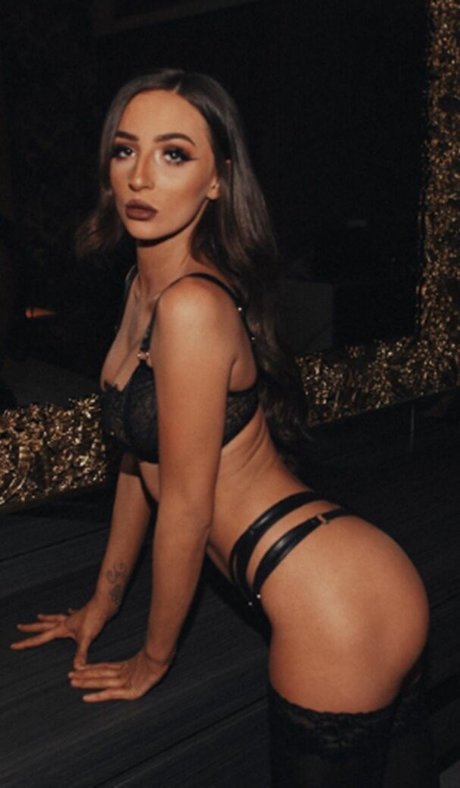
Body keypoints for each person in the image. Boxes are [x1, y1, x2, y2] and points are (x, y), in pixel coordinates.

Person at [11, 69, 438, 787]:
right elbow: (137, 458)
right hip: (342, 577)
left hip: (331, 600)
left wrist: (153, 658)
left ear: (216, 180)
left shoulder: (191, 308)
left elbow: (186, 505)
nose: (141, 176)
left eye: (174, 154)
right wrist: (101, 603)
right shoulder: (144, 288)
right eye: (125, 150)